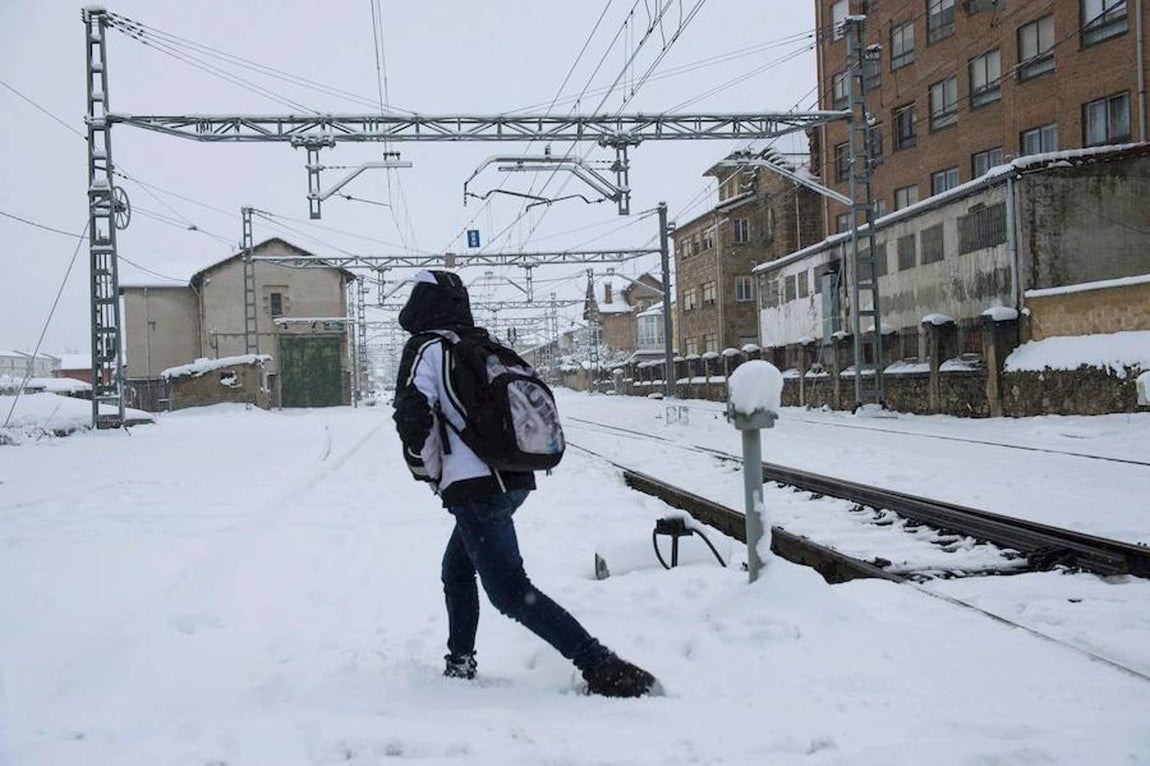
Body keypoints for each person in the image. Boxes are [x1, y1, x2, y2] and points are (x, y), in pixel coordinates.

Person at [391, 270, 657, 698]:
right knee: (456, 569)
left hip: (477, 488)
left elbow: (413, 418)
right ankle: (460, 661)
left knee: (511, 592)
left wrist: (428, 472)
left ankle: (602, 665)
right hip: (512, 478)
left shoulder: (427, 349)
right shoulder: (479, 345)